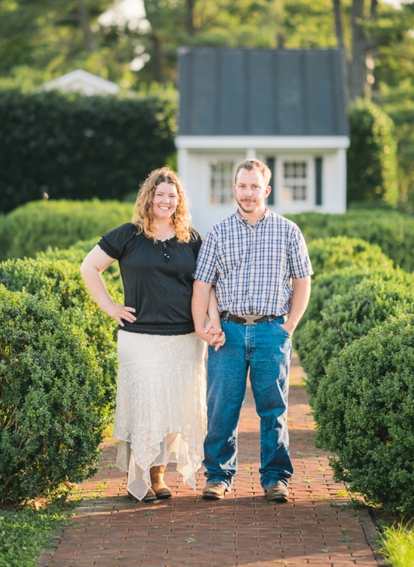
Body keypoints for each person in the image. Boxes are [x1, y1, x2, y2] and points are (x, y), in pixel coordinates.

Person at [81, 167, 219, 503]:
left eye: (172, 195)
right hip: (139, 339)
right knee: (145, 408)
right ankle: (138, 472)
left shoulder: (192, 239)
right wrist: (111, 306)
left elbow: (207, 286)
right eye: (160, 195)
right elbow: (89, 267)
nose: (166, 200)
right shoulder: (128, 235)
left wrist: (211, 321)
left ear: (179, 201)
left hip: (185, 340)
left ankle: (156, 474)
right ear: (149, 197)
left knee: (172, 409)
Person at [191, 159, 312, 503]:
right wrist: (203, 326)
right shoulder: (217, 232)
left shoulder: (288, 231)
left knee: (273, 408)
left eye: (254, 186)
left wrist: (289, 327)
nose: (248, 193)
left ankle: (275, 478)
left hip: (271, 331)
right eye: (242, 186)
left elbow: (303, 283)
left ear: (266, 190)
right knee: (221, 408)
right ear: (234, 189)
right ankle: (218, 476)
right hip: (227, 332)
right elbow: (202, 284)